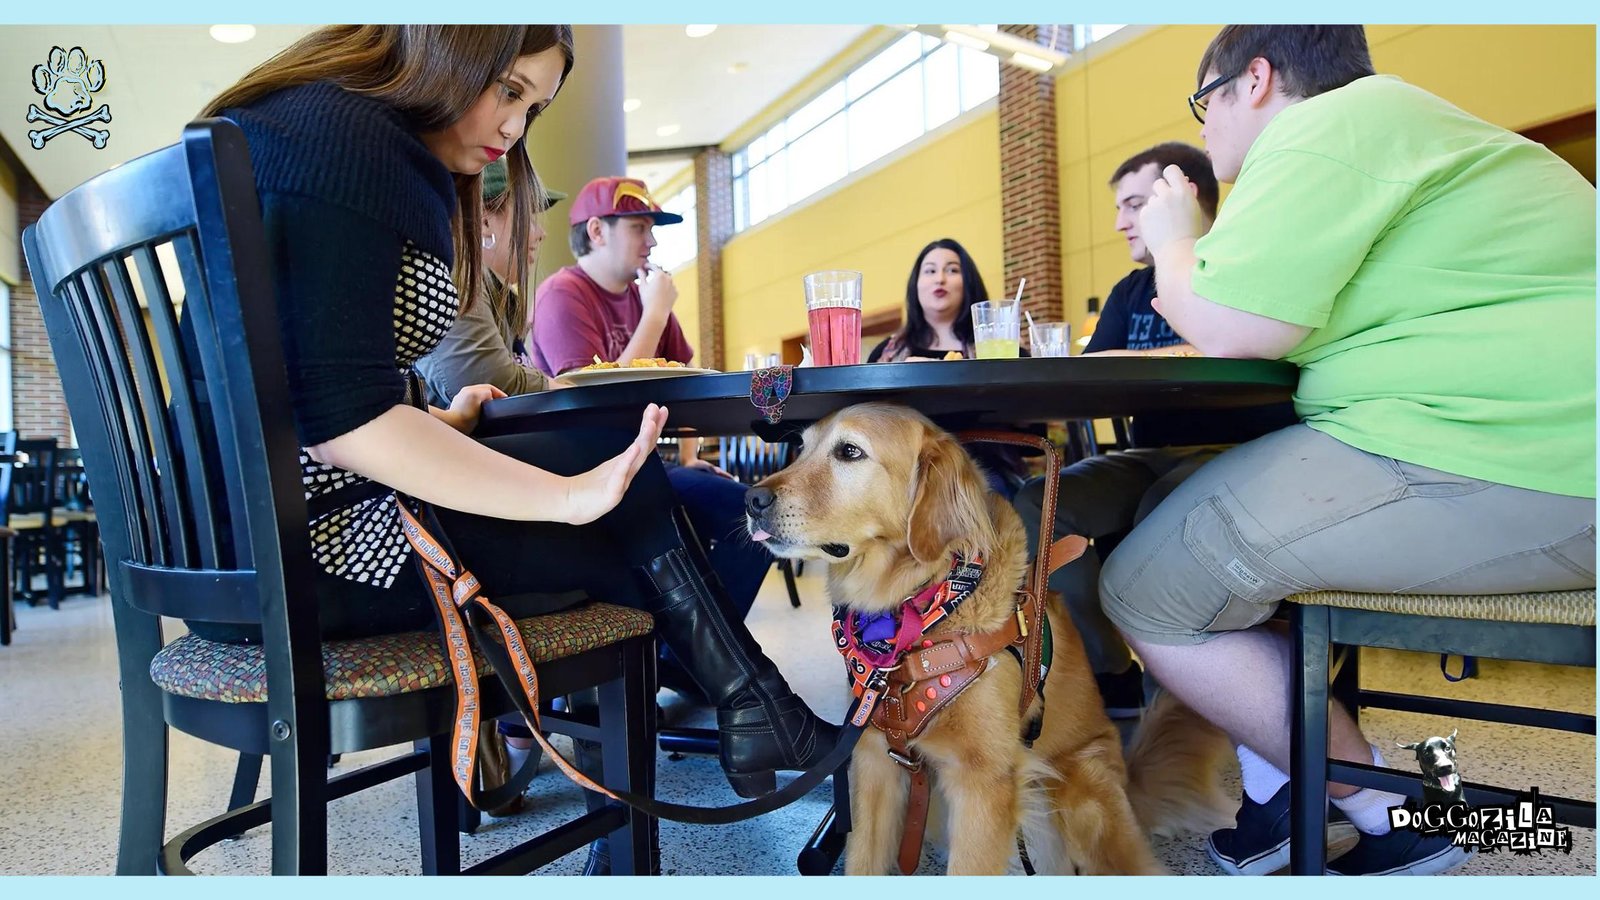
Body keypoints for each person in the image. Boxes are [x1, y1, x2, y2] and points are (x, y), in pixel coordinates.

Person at [190, 26, 836, 857]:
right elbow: (340, 419)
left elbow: (300, 385)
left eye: (532, 106)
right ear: (447, 48)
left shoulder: (298, 122)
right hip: (320, 557)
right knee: (622, 496)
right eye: (508, 90)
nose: (513, 129)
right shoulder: (362, 146)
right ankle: (743, 716)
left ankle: (747, 708)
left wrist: (432, 427)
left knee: (626, 492)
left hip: (247, 547)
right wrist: (566, 498)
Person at [1100, 25, 1594, 876]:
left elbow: (1233, 326)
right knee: (1171, 510)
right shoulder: (1404, 126)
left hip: (1520, 455)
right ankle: (1282, 805)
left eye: (1203, 102)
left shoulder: (1324, 130)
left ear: (1252, 81)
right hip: (1513, 438)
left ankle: (1396, 812)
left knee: (1146, 588)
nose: (1207, 128)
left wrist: (1175, 233)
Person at [1012, 143, 1296, 720]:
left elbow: (1231, 350)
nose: (1120, 222)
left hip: (1242, 454)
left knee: (1159, 510)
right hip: (1149, 454)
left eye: (1136, 204)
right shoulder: (1130, 291)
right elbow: (1090, 373)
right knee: (1037, 503)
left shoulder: (1243, 264)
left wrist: (1147, 354)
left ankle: (1175, 703)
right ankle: (1111, 667)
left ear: (1182, 198)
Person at [528, 176, 776, 686]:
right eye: (640, 227)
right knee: (725, 516)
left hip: (644, 465)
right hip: (583, 466)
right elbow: (596, 396)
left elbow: (681, 380)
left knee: (752, 514)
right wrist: (656, 310)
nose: (653, 242)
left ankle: (687, 663)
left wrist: (687, 457)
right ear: (597, 230)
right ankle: (691, 662)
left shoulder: (644, 297)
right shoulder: (563, 294)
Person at [868, 238, 1027, 495]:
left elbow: (1030, 421)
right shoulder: (888, 353)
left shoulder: (999, 346)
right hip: (902, 475)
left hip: (985, 468)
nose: (940, 279)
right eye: (930, 271)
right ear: (916, 285)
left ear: (969, 282)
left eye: (952, 270)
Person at [415, 158, 564, 405]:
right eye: (529, 215)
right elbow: (490, 383)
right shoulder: (454, 276)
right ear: (485, 222)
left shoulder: (497, 293)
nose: (540, 233)